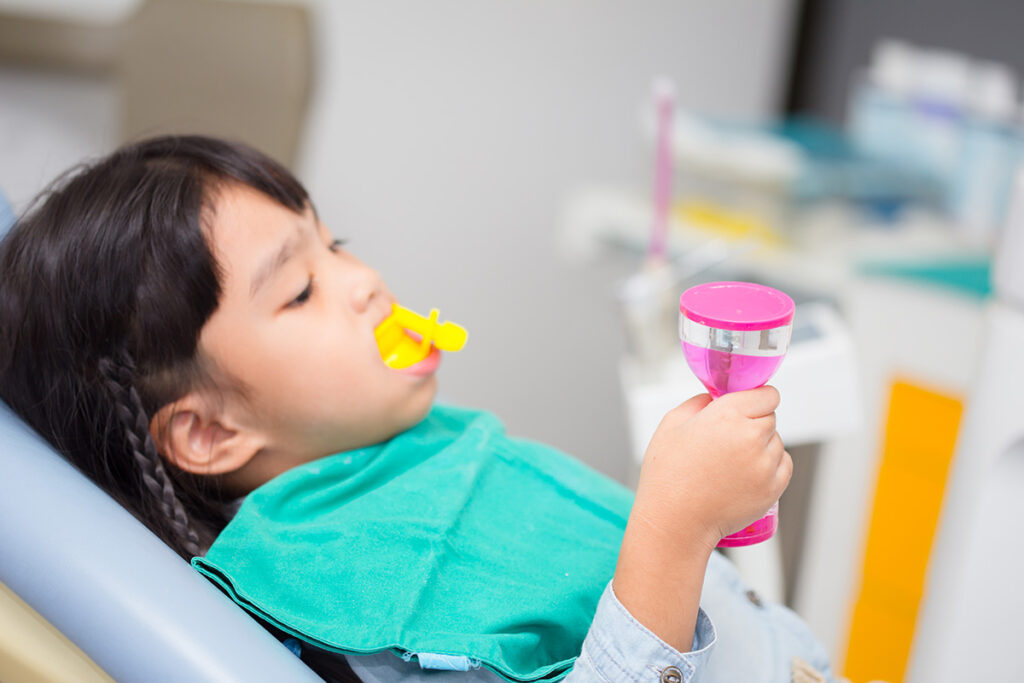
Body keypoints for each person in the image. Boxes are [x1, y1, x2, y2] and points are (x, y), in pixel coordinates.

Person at [0, 136, 834, 683]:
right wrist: (675, 526)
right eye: (299, 290)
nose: (363, 281)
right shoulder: (362, 602)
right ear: (210, 430)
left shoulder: (403, 454)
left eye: (337, 244)